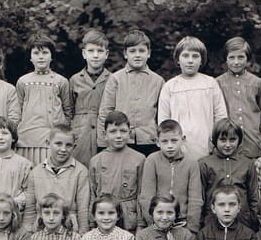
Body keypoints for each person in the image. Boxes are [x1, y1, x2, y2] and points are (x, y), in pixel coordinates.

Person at [157, 35, 228, 160]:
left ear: (201, 60)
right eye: (185, 56)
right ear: (178, 59)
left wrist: (216, 141)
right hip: (177, 149)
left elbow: (221, 117)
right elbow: (164, 122)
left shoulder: (210, 84)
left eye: (195, 56)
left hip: (206, 147)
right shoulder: (170, 87)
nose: (190, 61)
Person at [97, 29, 164, 156]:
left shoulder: (158, 81)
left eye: (141, 51)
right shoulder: (115, 79)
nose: (137, 55)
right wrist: (103, 143)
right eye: (132, 51)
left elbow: (162, 115)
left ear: (149, 53)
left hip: (149, 141)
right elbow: (105, 111)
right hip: (121, 140)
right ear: (125, 54)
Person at [15, 33, 73, 165]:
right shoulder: (23, 82)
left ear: (52, 56)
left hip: (52, 138)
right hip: (27, 139)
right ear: (30, 57)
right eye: (36, 53)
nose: (41, 57)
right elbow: (18, 111)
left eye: (45, 53)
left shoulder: (61, 81)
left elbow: (68, 111)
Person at [22, 124, 91, 233]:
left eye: (68, 145)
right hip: (41, 229)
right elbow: (30, 209)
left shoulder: (81, 171)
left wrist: (83, 233)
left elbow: (83, 209)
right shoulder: (36, 172)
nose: (63, 149)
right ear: (48, 143)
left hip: (69, 230)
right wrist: (28, 232)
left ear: (74, 147)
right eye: (58, 144)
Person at [138, 119, 203, 233]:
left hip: (182, 223)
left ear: (183, 140)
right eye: (164, 141)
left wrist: (192, 229)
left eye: (174, 141)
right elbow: (146, 196)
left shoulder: (191, 163)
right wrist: (152, 223)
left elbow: (195, 199)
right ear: (157, 142)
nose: (170, 146)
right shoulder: (152, 161)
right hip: (157, 221)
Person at [88, 110, 145, 231]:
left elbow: (141, 194)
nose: (118, 136)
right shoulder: (96, 161)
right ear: (105, 134)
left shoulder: (139, 159)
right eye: (113, 131)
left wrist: (140, 224)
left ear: (129, 133)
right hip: (104, 216)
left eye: (123, 131)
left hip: (129, 218)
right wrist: (92, 223)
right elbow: (93, 194)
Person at [216, 36, 261, 159]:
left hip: (252, 138)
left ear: (247, 58)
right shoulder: (218, 83)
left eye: (240, 57)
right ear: (226, 59)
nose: (236, 62)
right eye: (231, 57)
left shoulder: (257, 82)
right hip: (228, 140)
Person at [199, 118, 254, 226]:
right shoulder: (204, 164)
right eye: (223, 140)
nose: (228, 145)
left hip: (242, 221)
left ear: (239, 140)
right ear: (215, 140)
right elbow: (200, 197)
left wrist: (254, 221)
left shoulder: (247, 164)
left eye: (232, 140)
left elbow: (253, 196)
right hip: (212, 222)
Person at [69, 28, 111, 166]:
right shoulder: (75, 80)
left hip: (103, 133)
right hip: (81, 134)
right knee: (80, 169)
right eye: (91, 51)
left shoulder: (113, 79)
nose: (95, 55)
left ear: (106, 54)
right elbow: (69, 110)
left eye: (100, 51)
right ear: (84, 54)